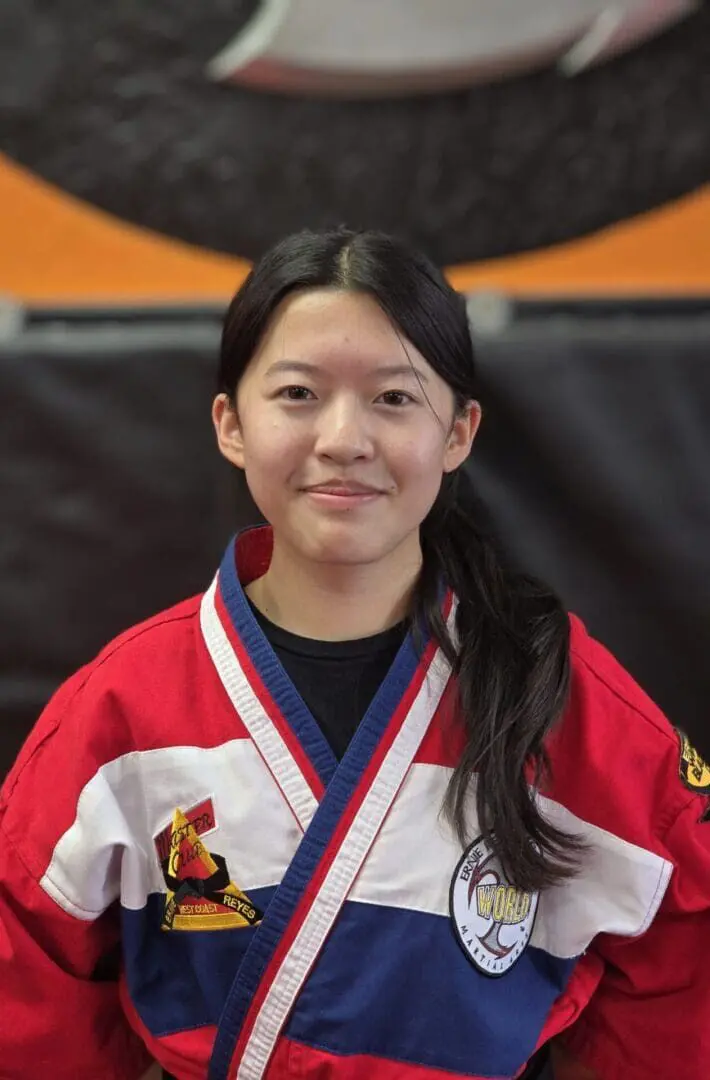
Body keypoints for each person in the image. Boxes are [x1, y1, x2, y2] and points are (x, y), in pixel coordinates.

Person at [0, 228, 708, 1080]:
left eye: (394, 399)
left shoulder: (554, 691)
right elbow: (29, 990)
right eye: (298, 393)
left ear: (459, 432)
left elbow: (687, 932)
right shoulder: (123, 704)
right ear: (231, 422)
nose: (343, 438)